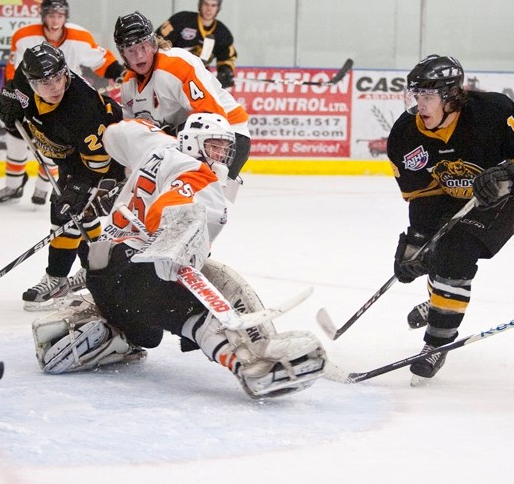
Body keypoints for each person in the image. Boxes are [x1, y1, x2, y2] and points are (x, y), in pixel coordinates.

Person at [29, 113, 327, 399]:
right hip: (134, 271)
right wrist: (168, 242)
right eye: (214, 146)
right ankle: (252, 368)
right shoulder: (202, 177)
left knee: (148, 335)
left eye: (225, 149)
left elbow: (114, 134)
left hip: (100, 270)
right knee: (196, 312)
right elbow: (172, 209)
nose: (221, 156)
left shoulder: (155, 143)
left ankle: (93, 333)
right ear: (193, 142)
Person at [387, 54, 514, 384]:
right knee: (437, 249)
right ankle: (442, 298)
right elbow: (422, 197)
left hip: (507, 201)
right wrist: (419, 242)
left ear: (451, 97)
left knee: (454, 251)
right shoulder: (406, 135)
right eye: (417, 96)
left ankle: (436, 344)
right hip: (452, 202)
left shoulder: (493, 112)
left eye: (429, 97)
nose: (421, 105)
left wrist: (509, 176)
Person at [0, 42, 124, 311]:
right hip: (70, 154)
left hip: (107, 158)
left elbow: (98, 163)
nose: (54, 87)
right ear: (30, 80)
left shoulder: (82, 108)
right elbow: (13, 94)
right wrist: (8, 106)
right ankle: (93, 268)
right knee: (79, 214)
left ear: (65, 71)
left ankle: (57, 278)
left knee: (67, 211)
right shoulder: (25, 74)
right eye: (44, 82)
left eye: (57, 77)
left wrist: (79, 187)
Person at [0, 0, 124, 206]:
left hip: (67, 102)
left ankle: (45, 188)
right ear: (43, 16)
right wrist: (11, 94)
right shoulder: (24, 36)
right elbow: (15, 71)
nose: (54, 21)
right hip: (34, 96)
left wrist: (120, 72)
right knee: (15, 138)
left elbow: (102, 60)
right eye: (51, 15)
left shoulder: (80, 37)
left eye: (59, 16)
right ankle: (13, 185)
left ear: (65, 18)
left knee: (56, 145)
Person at [114, 10, 250, 201]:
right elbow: (136, 137)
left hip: (228, 135)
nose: (139, 56)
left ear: (153, 43)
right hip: (186, 140)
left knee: (192, 205)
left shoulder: (176, 64)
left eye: (143, 47)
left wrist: (216, 171)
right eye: (131, 51)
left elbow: (212, 117)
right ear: (123, 54)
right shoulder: (129, 86)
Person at [155, 0, 237, 89]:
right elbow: (157, 41)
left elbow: (227, 58)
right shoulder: (181, 20)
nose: (209, 9)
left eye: (213, 5)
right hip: (171, 73)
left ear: (218, 8)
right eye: (206, 4)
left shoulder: (222, 33)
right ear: (200, 5)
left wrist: (225, 72)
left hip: (200, 78)